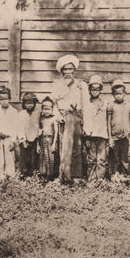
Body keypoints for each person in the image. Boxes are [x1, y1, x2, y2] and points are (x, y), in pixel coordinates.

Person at [50, 54, 89, 182]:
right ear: (61, 71)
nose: (68, 72)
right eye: (65, 69)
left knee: (76, 147)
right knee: (62, 146)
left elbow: (85, 104)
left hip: (76, 118)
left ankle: (76, 175)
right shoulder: (57, 85)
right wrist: (58, 115)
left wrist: (85, 122)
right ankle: (63, 175)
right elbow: (53, 103)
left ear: (74, 70)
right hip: (63, 118)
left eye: (70, 69)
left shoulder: (80, 85)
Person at [83, 75, 109, 180]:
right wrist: (86, 137)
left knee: (101, 158)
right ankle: (92, 179)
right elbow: (85, 121)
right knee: (92, 158)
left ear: (100, 90)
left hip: (102, 134)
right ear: (89, 90)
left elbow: (107, 120)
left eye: (97, 89)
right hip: (91, 135)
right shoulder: (87, 104)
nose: (95, 91)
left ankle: (100, 179)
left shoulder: (105, 103)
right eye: (92, 89)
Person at [0, 85, 19, 178]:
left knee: (9, 158)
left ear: (9, 99)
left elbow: (15, 127)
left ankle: (10, 177)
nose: (4, 101)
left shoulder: (14, 111)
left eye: (6, 99)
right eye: (1, 99)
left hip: (9, 139)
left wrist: (13, 141)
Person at [106, 79, 130, 176]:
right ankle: (115, 175)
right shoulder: (111, 106)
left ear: (124, 93)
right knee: (115, 157)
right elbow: (108, 122)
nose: (118, 95)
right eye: (116, 93)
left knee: (124, 157)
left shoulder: (128, 106)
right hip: (114, 137)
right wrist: (110, 138)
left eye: (120, 93)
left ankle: (124, 175)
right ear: (113, 94)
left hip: (125, 136)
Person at [18, 92, 41, 177]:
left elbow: (39, 126)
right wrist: (23, 140)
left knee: (33, 158)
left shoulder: (38, 113)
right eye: (27, 103)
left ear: (34, 104)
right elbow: (19, 128)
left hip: (34, 139)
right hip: (25, 140)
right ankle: (24, 174)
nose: (30, 105)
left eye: (31, 103)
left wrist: (37, 138)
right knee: (24, 158)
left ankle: (32, 174)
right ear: (24, 104)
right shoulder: (21, 114)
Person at [37, 96, 59, 180]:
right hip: (42, 140)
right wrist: (37, 145)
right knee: (43, 157)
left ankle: (50, 176)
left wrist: (54, 144)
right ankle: (43, 174)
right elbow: (38, 133)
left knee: (51, 158)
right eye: (45, 109)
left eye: (48, 109)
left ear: (52, 109)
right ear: (42, 109)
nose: (46, 111)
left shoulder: (53, 118)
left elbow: (56, 132)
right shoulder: (41, 119)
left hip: (50, 140)